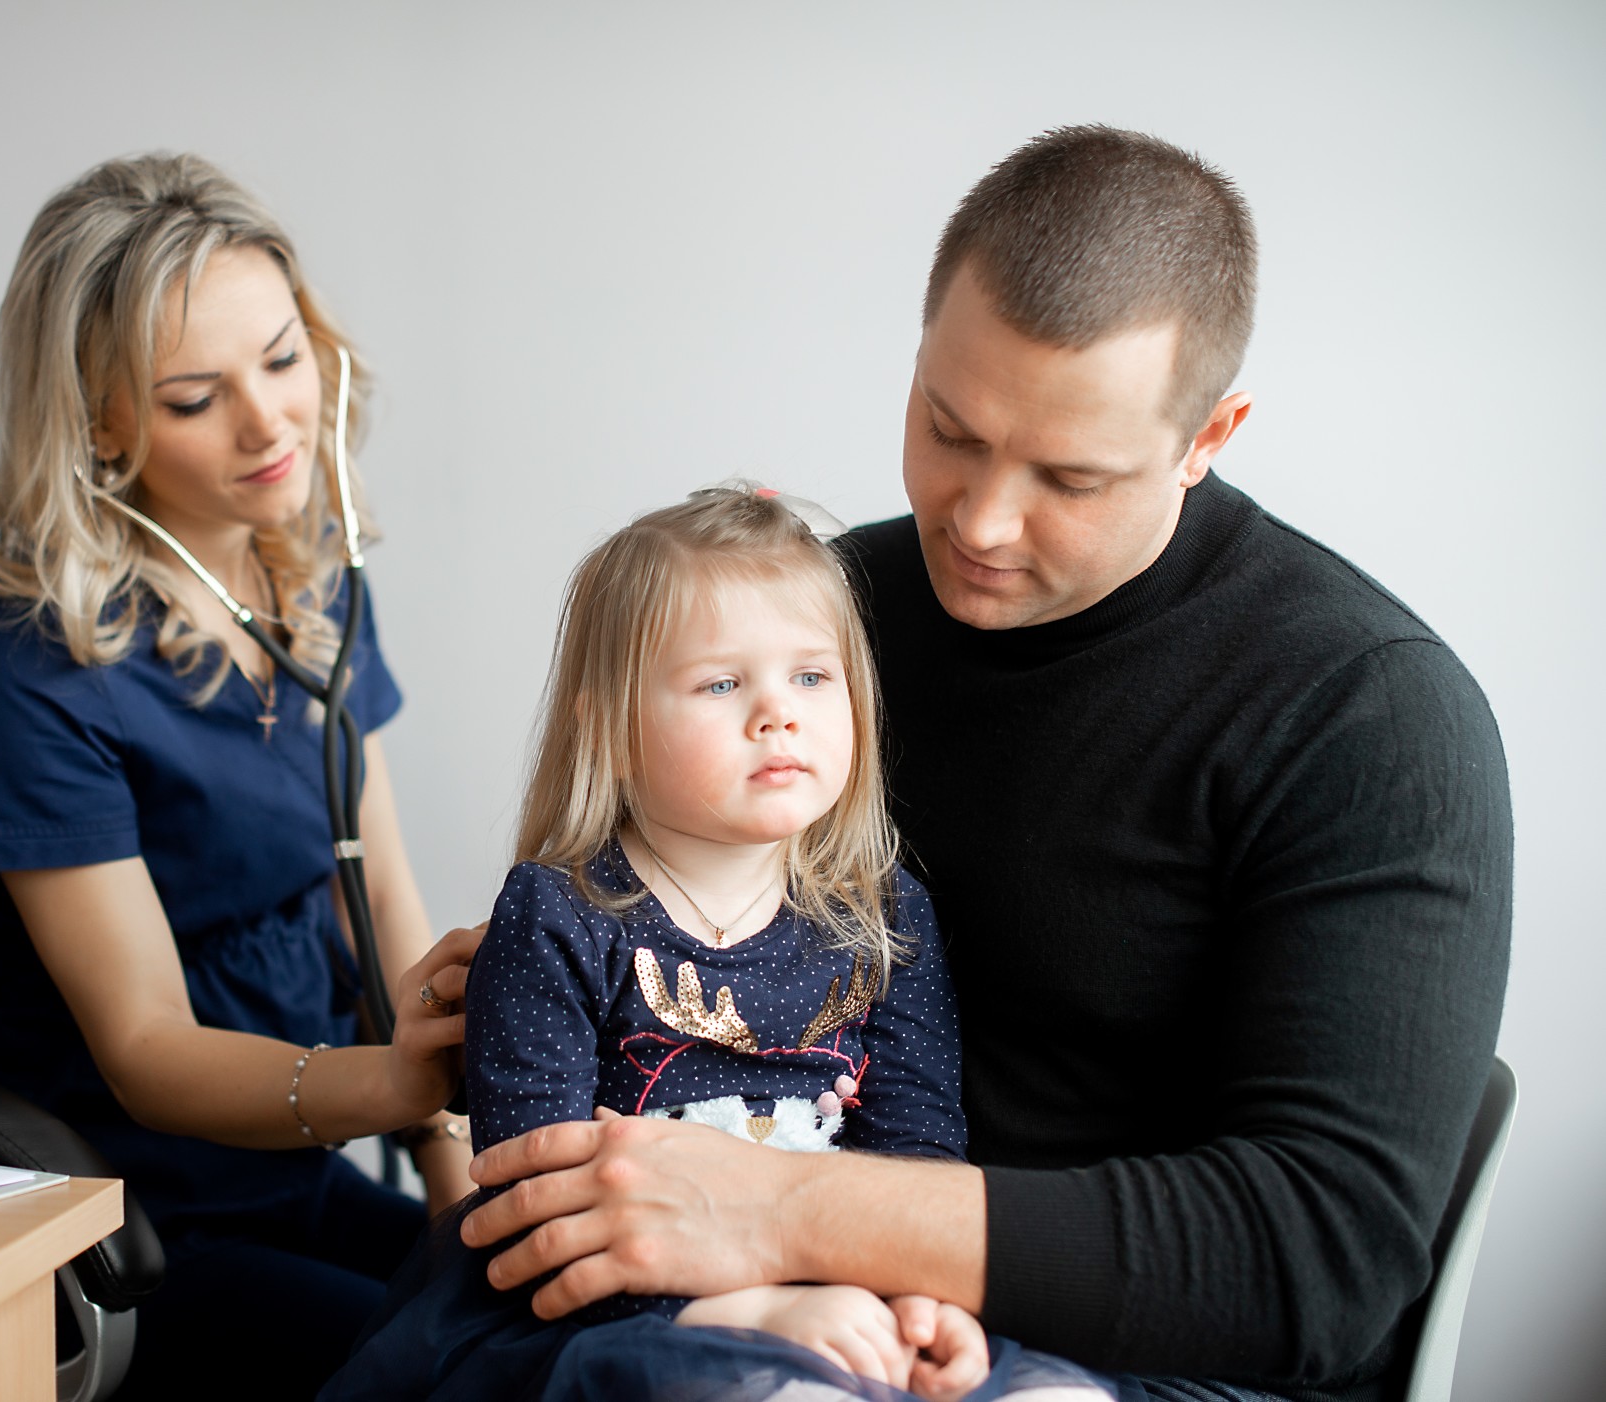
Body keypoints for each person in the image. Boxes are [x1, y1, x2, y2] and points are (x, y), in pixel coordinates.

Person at [454, 127, 1513, 1402]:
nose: (980, 521)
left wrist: (792, 1210)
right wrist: (519, 994)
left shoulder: (1370, 717)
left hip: (1148, 1364)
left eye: (1069, 475)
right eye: (950, 430)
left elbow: (1315, 1265)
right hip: (773, 1301)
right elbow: (655, 896)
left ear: (1209, 435)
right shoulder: (831, 625)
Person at [325, 488, 1118, 1402]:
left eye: (811, 678)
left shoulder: (884, 913)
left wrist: (916, 1302)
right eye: (722, 683)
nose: (777, 714)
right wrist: (755, 1313)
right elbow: (532, 1200)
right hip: (620, 1310)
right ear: (612, 727)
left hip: (843, 1281)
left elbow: (916, 1150)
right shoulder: (558, 913)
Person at [0, 152, 478, 1400]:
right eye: (193, 396)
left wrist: (455, 1169)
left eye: (283, 358)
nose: (270, 421)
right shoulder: (30, 670)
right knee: (466, 1377)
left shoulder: (309, 576)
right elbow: (146, 1045)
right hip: (133, 1221)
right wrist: (387, 1082)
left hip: (295, 1170)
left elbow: (378, 893)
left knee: (560, 1315)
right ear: (100, 421)